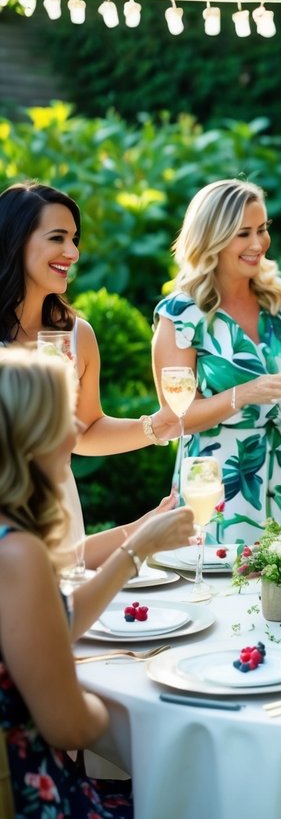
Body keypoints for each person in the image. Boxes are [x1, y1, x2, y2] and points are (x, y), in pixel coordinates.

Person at [0, 349, 193, 819]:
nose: (74, 432)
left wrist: (136, 547)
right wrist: (130, 712)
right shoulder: (17, 555)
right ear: (31, 433)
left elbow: (52, 620)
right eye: (63, 417)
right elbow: (68, 724)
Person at [0, 181, 180, 568]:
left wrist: (154, 427)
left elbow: (84, 431)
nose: (73, 252)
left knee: (63, 614)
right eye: (58, 238)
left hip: (57, 504)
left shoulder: (78, 336)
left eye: (75, 239)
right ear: (16, 241)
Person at [153, 178, 281, 543]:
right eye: (243, 233)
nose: (258, 244)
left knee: (280, 585)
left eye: (262, 229)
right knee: (214, 587)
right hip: (214, 476)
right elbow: (173, 418)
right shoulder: (181, 316)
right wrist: (245, 393)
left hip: (278, 468)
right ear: (213, 237)